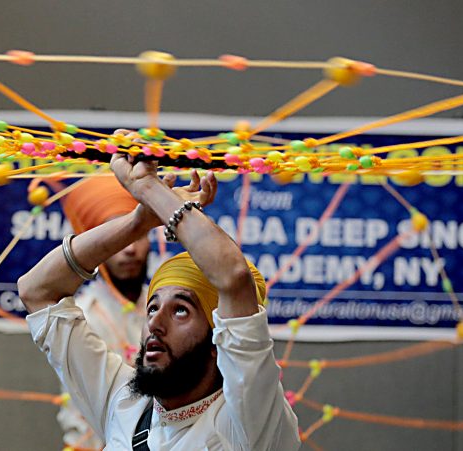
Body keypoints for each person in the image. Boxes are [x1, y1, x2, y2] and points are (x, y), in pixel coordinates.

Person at [18, 153, 301, 450]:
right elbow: (37, 291)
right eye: (152, 307)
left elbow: (233, 276)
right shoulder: (123, 403)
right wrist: (138, 222)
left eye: (181, 310)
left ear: (220, 339)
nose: (155, 322)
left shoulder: (248, 422)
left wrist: (149, 189)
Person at [53, 174, 151, 450]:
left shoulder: (166, 311)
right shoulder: (80, 315)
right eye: (117, 238)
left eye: (138, 235)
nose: (129, 250)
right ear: (97, 247)